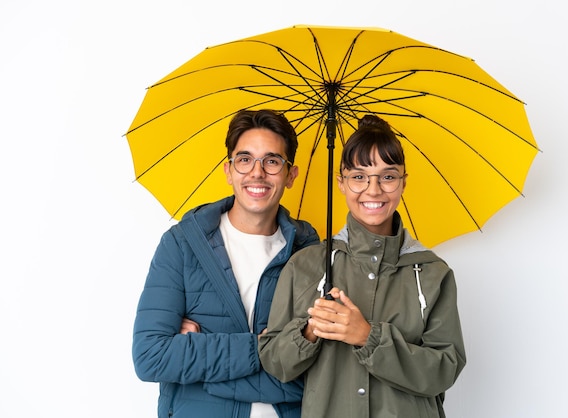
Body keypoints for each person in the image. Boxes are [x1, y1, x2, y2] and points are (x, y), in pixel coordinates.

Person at [259, 115, 466, 418]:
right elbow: (276, 364)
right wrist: (309, 331)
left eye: (387, 176)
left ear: (403, 183)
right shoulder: (305, 266)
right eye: (358, 176)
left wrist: (369, 337)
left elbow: (444, 371)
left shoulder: (433, 273)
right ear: (341, 183)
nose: (373, 190)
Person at [132, 109, 320, 418]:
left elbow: (320, 374)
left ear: (290, 175)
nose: (257, 173)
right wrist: (265, 348)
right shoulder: (182, 245)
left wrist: (203, 363)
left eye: (272, 161)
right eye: (245, 160)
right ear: (228, 170)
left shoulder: (311, 255)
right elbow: (151, 357)